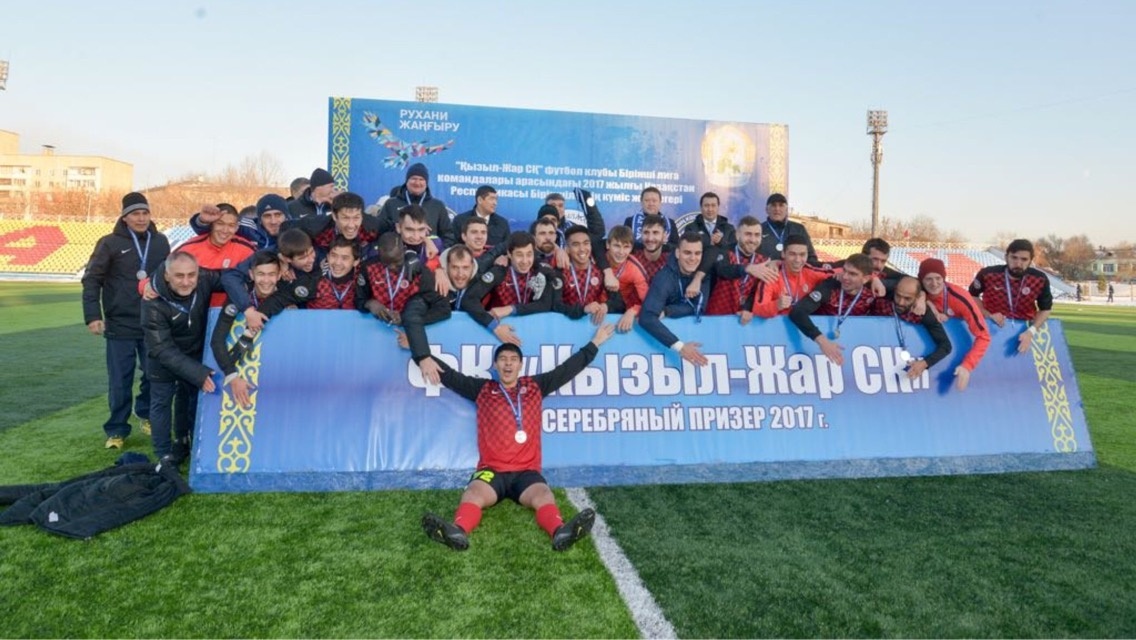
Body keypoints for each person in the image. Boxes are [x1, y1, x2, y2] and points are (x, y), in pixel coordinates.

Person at [417, 323, 616, 552]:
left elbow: (567, 369)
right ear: (495, 365)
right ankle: (458, 531)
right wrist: (420, 353)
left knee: (543, 494)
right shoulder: (483, 389)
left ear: (520, 365)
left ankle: (560, 532)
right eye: (503, 359)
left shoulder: (535, 386)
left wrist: (595, 342)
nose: (508, 363)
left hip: (526, 472)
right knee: (473, 493)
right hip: (492, 471)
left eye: (513, 359)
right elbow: (450, 376)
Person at [82, 192, 172, 449]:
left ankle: (146, 414)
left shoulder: (160, 242)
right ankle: (117, 429)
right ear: (125, 217)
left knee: (154, 374)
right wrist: (93, 315)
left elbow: (167, 277)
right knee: (120, 380)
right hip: (120, 323)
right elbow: (92, 279)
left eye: (145, 213)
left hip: (153, 320)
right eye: (135, 214)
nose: (141, 218)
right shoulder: (109, 243)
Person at [142, 252, 225, 465]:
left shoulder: (205, 278)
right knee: (161, 403)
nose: (186, 281)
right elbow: (161, 348)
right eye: (179, 276)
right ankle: (164, 454)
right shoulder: (152, 301)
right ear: (167, 275)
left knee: (189, 398)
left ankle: (186, 440)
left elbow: (232, 278)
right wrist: (198, 373)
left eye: (191, 275)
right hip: (162, 359)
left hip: (193, 352)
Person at [639, 231, 769, 366]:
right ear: (677, 253)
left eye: (697, 253)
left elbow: (699, 307)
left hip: (699, 335)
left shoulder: (703, 273)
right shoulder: (664, 278)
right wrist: (680, 347)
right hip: (661, 347)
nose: (692, 258)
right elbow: (646, 317)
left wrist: (668, 311)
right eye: (687, 253)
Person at [403, 244, 520, 384]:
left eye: (465, 268)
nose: (460, 274)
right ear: (446, 267)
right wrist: (415, 336)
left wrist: (505, 260)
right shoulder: (432, 282)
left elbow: (502, 247)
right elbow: (414, 314)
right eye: (455, 268)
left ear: (473, 266)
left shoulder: (481, 270)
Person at [210, 251, 285, 409]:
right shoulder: (239, 296)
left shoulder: (287, 291)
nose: (266, 280)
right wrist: (232, 375)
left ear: (279, 275)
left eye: (271, 274)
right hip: (249, 369)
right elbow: (217, 341)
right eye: (260, 274)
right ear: (251, 274)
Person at [788, 253, 877, 366]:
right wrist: (822, 341)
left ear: (866, 279)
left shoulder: (874, 292)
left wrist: (877, 280)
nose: (845, 277)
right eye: (844, 270)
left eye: (852, 274)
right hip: (817, 349)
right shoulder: (831, 286)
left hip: (855, 351)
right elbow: (797, 312)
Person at [969, 239, 1053, 354]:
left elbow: (1045, 309)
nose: (1018, 263)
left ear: (1030, 261)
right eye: (1014, 257)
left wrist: (1031, 331)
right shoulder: (988, 274)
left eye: (1024, 259)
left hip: (1024, 331)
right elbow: (972, 296)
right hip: (992, 327)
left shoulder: (1040, 279)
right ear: (1006, 257)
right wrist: (987, 314)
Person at [918, 258, 990, 391]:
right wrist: (925, 302)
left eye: (938, 278)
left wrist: (967, 366)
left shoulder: (960, 298)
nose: (934, 284)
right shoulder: (916, 290)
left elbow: (984, 336)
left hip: (948, 354)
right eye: (928, 279)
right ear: (921, 279)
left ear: (944, 278)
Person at [874, 277, 953, 381]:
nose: (901, 302)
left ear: (917, 297)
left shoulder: (924, 313)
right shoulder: (885, 290)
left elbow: (946, 346)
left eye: (907, 299)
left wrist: (924, 363)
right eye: (898, 296)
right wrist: (873, 279)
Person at [176, 205, 257, 306]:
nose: (225, 230)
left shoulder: (247, 250)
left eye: (231, 225)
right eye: (220, 223)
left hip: (232, 310)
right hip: (194, 308)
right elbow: (166, 272)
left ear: (237, 227)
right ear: (211, 225)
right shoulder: (189, 248)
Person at [482, 231, 568, 319]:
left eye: (529, 254)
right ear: (509, 254)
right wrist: (490, 323)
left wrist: (511, 309)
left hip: (530, 324)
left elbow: (545, 305)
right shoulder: (500, 270)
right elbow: (474, 298)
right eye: (519, 255)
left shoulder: (542, 271)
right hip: (502, 323)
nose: (525, 261)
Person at [357, 232, 436, 326]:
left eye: (397, 262)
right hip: (376, 326)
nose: (392, 267)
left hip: (409, 327)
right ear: (379, 254)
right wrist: (370, 303)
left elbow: (437, 305)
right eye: (386, 263)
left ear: (404, 250)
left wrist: (408, 319)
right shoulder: (368, 268)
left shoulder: (419, 270)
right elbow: (359, 300)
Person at [704, 215, 769, 322]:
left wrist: (747, 308)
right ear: (737, 235)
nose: (753, 240)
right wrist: (746, 268)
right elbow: (723, 270)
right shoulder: (724, 251)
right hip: (717, 316)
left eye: (757, 235)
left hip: (742, 317)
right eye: (748, 234)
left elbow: (757, 291)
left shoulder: (763, 259)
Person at [284, 191, 383, 262]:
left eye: (356, 218)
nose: (351, 225)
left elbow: (390, 229)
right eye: (345, 218)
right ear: (334, 216)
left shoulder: (374, 226)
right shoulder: (316, 226)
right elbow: (284, 227)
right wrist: (282, 256)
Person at [752, 234, 830, 318]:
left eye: (802, 255)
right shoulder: (772, 274)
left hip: (802, 324)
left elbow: (836, 273)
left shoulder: (810, 272)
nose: (797, 260)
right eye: (792, 254)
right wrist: (776, 305)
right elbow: (757, 308)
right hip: (777, 324)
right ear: (783, 254)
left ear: (807, 255)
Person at [376, 162, 454, 246]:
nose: (417, 183)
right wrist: (398, 227)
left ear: (426, 183)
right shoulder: (391, 203)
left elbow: (449, 235)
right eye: (413, 178)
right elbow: (379, 229)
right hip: (398, 252)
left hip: (428, 252)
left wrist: (440, 251)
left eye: (421, 179)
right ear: (406, 181)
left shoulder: (437, 206)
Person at [559, 225, 613, 325]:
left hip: (593, 325)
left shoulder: (601, 269)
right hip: (565, 326)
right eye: (576, 245)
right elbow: (556, 305)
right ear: (567, 249)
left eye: (586, 243)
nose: (582, 249)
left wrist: (607, 306)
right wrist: (583, 309)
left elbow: (618, 301)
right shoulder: (561, 271)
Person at [604, 225, 649, 333]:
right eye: (617, 246)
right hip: (593, 310)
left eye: (626, 247)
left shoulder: (635, 269)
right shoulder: (597, 259)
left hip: (618, 313)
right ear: (607, 245)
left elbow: (649, 302)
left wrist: (633, 311)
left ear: (631, 248)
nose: (621, 252)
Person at [757, 193, 818, 264]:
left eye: (781, 205)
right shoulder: (758, 229)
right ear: (766, 210)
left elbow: (811, 257)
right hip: (766, 270)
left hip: (794, 271)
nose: (777, 209)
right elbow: (752, 257)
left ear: (786, 210)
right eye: (773, 205)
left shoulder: (799, 229)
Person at [632, 214, 673, 284]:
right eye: (646, 232)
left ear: (664, 236)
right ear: (641, 234)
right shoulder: (632, 258)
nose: (650, 238)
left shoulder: (672, 261)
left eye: (655, 233)